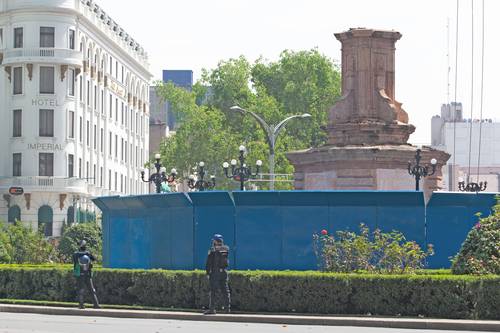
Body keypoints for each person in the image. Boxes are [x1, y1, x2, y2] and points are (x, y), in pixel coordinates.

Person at [204, 234, 230, 315]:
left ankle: (212, 309)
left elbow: (209, 263)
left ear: (215, 241)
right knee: (225, 290)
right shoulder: (225, 249)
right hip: (224, 272)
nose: (213, 242)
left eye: (214, 241)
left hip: (215, 273)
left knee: (213, 291)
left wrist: (208, 272)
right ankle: (227, 309)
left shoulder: (212, 250)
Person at [72, 240, 100, 309]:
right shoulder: (87, 253)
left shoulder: (76, 254)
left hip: (80, 274)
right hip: (87, 274)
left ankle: (81, 305)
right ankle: (96, 305)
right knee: (92, 290)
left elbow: (75, 261)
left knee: (81, 290)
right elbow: (94, 259)